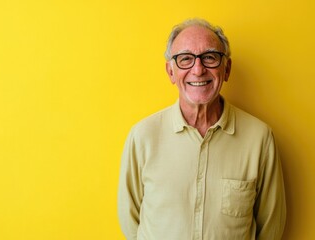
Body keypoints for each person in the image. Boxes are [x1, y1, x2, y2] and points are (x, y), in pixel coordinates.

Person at [117, 18, 286, 240]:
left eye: (209, 57)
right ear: (171, 72)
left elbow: (270, 227)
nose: (198, 69)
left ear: (226, 69)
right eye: (185, 59)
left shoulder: (259, 138)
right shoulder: (143, 136)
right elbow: (130, 222)